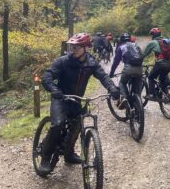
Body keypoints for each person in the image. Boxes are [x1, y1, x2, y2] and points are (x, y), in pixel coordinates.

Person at [40, 33, 119, 173]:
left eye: (76, 47)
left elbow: (104, 77)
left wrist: (112, 88)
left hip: (76, 99)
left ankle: (69, 154)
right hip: (61, 98)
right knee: (58, 123)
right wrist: (54, 89)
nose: (73, 49)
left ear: (85, 48)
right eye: (72, 46)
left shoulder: (91, 63)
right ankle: (45, 156)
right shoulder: (62, 61)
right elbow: (47, 76)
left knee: (77, 124)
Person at [109, 33, 143, 109]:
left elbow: (116, 62)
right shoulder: (136, 46)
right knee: (137, 91)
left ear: (121, 40)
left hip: (128, 68)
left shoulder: (121, 47)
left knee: (122, 82)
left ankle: (124, 98)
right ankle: (138, 102)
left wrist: (111, 73)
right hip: (140, 69)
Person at [143, 28, 170, 101]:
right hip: (169, 63)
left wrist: (138, 61)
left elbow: (144, 54)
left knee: (151, 77)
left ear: (153, 35)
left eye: (152, 34)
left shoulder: (153, 42)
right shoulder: (166, 41)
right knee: (162, 79)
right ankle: (167, 95)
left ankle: (152, 94)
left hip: (160, 63)